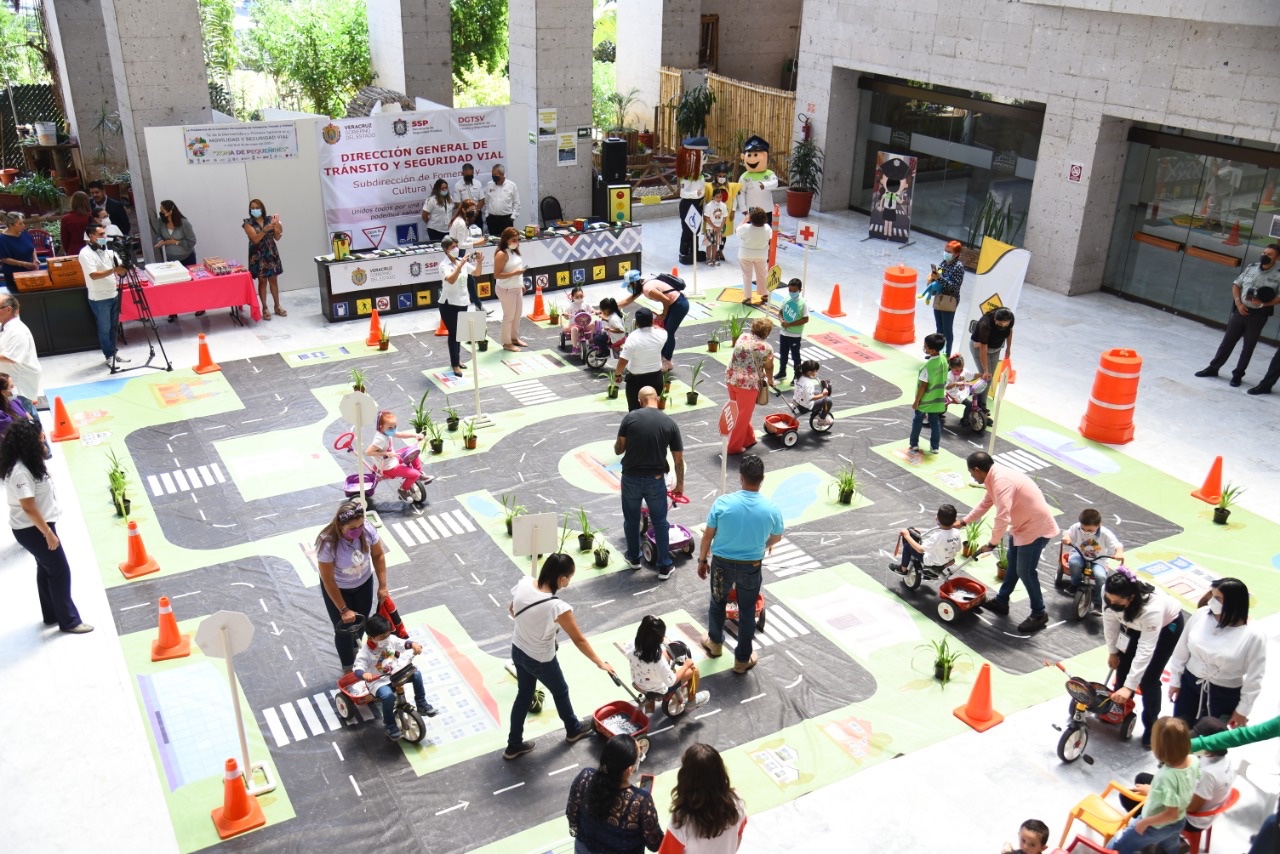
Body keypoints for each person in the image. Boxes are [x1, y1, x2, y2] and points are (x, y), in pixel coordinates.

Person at [504, 553, 615, 760]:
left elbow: (512, 609)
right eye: (569, 578)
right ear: (561, 579)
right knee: (561, 690)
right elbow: (579, 639)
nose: (569, 582)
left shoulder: (525, 583)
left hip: (518, 650)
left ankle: (513, 745)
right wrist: (600, 663)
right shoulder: (557, 607)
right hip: (541, 659)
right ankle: (573, 729)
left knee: (524, 695)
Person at [1, 418, 91, 632]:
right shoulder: (21, 471)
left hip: (39, 526)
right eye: (40, 437)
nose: (44, 439)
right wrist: (48, 533)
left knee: (46, 567)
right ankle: (69, 621)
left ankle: (51, 614)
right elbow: (29, 507)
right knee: (60, 571)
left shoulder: (30, 462)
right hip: (32, 529)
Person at [698, 454, 784, 674]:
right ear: (762, 478)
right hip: (751, 566)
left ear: (740, 478)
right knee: (747, 611)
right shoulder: (771, 508)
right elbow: (776, 537)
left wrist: (702, 560)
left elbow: (708, 535)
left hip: (721, 565)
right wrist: (761, 546)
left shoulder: (723, 502)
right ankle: (741, 660)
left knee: (718, 603)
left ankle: (715, 644)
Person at [960, 451, 1060, 634]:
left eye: (971, 473)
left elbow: (1003, 515)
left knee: (1025, 571)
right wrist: (964, 521)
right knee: (1013, 562)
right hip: (1021, 527)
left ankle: (1039, 613)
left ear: (977, 469)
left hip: (1035, 529)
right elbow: (985, 504)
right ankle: (1001, 601)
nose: (972, 476)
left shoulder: (1001, 481)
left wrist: (992, 543)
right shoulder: (993, 478)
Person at [1103, 568, 1186, 748]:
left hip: (1166, 628)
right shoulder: (1110, 593)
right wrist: (1112, 651)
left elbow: (1145, 649)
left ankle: (1152, 727)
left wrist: (1129, 687)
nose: (1111, 603)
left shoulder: (1151, 609)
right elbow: (1110, 622)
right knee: (1123, 667)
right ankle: (1118, 710)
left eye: (1117, 601)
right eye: (1109, 600)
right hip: (1134, 623)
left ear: (1131, 597)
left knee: (1149, 679)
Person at [1166, 578, 1266, 727]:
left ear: (1234, 602)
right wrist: (1175, 680)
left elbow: (1255, 677)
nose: (1212, 601)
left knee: (1210, 740)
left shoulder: (1254, 635)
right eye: (1212, 595)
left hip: (1224, 694)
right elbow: (1182, 650)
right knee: (1179, 729)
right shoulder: (1201, 615)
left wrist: (1242, 710)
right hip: (1189, 684)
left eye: (1218, 598)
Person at [1122, 717, 1239, 841]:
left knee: (1127, 797)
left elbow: (1191, 807)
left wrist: (1153, 793)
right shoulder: (1223, 761)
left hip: (1190, 818)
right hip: (1193, 795)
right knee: (1142, 778)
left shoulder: (1209, 774)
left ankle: (1149, 832)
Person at [615, 385, 685, 579]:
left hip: (630, 479)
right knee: (660, 522)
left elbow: (619, 449)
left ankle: (634, 558)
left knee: (631, 520)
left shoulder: (630, 418)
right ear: (657, 398)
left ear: (639, 401)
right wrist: (680, 484)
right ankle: (664, 565)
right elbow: (678, 459)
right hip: (655, 481)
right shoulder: (669, 422)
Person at [316, 500, 389, 673]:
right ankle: (348, 669)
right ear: (340, 525)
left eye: (360, 525)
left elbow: (378, 555)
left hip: (363, 583)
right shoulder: (327, 542)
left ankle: (356, 654)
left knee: (361, 623)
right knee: (343, 630)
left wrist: (382, 586)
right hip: (338, 588)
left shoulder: (368, 530)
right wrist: (343, 609)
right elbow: (328, 580)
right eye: (352, 528)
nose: (358, 531)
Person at [1189, 715, 1280, 854]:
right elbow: (1249, 733)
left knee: (1272, 826)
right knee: (1271, 828)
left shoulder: (1209, 773)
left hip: (1193, 818)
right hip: (1206, 809)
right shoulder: (1221, 763)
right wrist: (1196, 744)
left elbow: (1191, 807)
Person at [1108, 717, 1200, 854]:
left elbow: (1171, 813)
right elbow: (1178, 793)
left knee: (1116, 846)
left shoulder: (1165, 776)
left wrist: (1145, 823)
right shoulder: (1194, 760)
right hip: (1179, 821)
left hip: (1154, 825)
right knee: (1170, 846)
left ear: (1159, 747)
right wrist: (1153, 791)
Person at [1194, 244, 1280, 388]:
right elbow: (1236, 284)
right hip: (1240, 311)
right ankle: (1213, 368)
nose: (1265, 255)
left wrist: (1263, 304)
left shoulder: (1278, 274)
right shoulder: (1252, 267)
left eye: (1270, 254)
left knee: (1248, 347)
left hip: (1258, 315)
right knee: (1227, 342)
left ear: (1277, 258)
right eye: (1264, 252)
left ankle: (1238, 375)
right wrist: (1238, 303)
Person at [565, 734, 663, 853]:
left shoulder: (585, 777)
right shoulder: (641, 801)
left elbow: (572, 814)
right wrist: (648, 812)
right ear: (629, 769)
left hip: (585, 848)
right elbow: (655, 844)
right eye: (639, 755)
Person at [353, 614, 437, 740]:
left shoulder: (391, 639)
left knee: (416, 674)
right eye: (382, 637)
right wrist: (364, 674)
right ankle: (390, 725)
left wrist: (414, 645)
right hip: (378, 682)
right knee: (388, 696)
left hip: (395, 674)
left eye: (387, 635)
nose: (386, 639)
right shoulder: (365, 652)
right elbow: (357, 668)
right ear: (371, 637)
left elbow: (403, 643)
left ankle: (421, 703)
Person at [661, 743, 748, 854]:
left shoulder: (681, 820)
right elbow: (738, 836)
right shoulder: (737, 802)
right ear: (720, 773)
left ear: (686, 778)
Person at [627, 615, 709, 709]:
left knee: (666, 654)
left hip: (637, 682)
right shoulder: (659, 662)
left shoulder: (631, 645)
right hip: (658, 690)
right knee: (694, 671)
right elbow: (671, 681)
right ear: (661, 639)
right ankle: (692, 701)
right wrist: (686, 666)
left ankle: (670, 676)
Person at [78, 223, 130, 367]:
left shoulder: (108, 251)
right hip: (99, 297)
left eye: (104, 233)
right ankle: (109, 355)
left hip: (113, 293)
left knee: (114, 327)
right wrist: (114, 270)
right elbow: (93, 275)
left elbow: (121, 268)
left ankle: (114, 353)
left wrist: (125, 263)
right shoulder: (85, 253)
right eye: (101, 234)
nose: (104, 236)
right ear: (91, 236)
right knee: (104, 328)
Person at [724, 317, 776, 455]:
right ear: (766, 333)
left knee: (739, 411)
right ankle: (734, 446)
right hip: (748, 385)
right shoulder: (766, 348)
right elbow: (769, 367)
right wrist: (770, 380)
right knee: (743, 416)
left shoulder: (743, 336)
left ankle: (749, 438)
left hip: (731, 378)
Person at [618, 270, 690, 370]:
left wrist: (664, 314)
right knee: (664, 330)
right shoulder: (643, 286)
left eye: (628, 285)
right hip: (672, 305)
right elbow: (626, 301)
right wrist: (607, 308)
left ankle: (667, 361)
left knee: (669, 333)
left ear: (634, 283)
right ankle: (662, 357)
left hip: (679, 305)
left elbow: (666, 300)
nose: (628, 288)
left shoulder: (647, 288)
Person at [1060, 507, 1124, 614]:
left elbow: (1117, 544)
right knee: (1073, 563)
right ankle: (1074, 584)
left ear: (1098, 525)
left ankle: (1098, 602)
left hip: (1098, 559)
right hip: (1080, 554)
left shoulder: (1105, 534)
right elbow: (1068, 533)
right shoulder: (1076, 527)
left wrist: (1119, 552)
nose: (1085, 532)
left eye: (1089, 530)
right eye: (1083, 528)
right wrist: (1067, 537)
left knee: (1101, 576)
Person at [439, 236, 483, 375]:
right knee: (454, 333)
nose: (456, 249)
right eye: (453, 247)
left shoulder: (460, 261)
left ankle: (457, 360)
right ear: (446, 250)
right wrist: (460, 266)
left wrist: (479, 262)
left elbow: (476, 273)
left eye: (457, 246)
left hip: (462, 301)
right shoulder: (444, 265)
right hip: (449, 303)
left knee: (459, 334)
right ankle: (455, 364)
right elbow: (451, 280)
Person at [614, 307, 666, 412]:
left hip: (636, 382)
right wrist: (655, 325)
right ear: (652, 320)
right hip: (656, 378)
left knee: (635, 412)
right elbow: (661, 329)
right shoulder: (662, 335)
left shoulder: (633, 338)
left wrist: (618, 374)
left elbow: (623, 360)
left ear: (636, 323)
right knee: (654, 410)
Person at [367, 410, 427, 500]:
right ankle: (403, 489)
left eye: (395, 426)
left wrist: (416, 435)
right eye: (390, 427)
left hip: (392, 458)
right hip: (388, 467)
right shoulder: (380, 439)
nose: (393, 429)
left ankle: (419, 474)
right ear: (381, 427)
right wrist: (385, 453)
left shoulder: (387, 431)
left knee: (412, 451)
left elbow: (401, 434)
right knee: (414, 474)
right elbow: (368, 452)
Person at [153, 200, 198, 322]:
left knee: (191, 285)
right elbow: (158, 235)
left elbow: (192, 241)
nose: (161, 212)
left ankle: (199, 306)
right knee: (172, 287)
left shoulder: (184, 223)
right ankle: (172, 311)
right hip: (171, 259)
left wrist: (176, 242)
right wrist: (162, 241)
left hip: (187, 257)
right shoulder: (161, 221)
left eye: (163, 210)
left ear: (170, 211)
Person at [890, 503, 961, 576]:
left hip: (932, 561)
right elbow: (958, 548)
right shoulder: (957, 532)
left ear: (937, 518)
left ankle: (903, 569)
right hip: (948, 559)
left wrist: (907, 536)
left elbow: (920, 549)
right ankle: (943, 566)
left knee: (908, 546)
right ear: (955, 520)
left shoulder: (937, 536)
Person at [243, 198, 285, 320]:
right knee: (262, 282)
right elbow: (255, 239)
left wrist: (278, 227)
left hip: (271, 253)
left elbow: (277, 237)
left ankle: (277, 306)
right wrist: (265, 230)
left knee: (273, 280)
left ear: (262, 208)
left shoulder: (269, 220)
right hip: (258, 255)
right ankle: (265, 308)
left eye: (257, 207)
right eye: (252, 208)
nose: (255, 210)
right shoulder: (248, 223)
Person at [909, 332, 947, 456]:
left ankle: (914, 443)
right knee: (935, 422)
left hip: (925, 400)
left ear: (931, 350)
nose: (924, 348)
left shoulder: (927, 366)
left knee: (918, 420)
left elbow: (923, 386)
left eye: (925, 346)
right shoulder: (943, 360)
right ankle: (935, 446)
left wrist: (916, 402)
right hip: (937, 399)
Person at [969, 307, 1014, 410]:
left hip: (996, 349)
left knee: (989, 378)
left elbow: (1009, 331)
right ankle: (980, 406)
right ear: (995, 319)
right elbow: (983, 349)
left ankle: (980, 404)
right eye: (1000, 323)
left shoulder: (1010, 319)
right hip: (979, 348)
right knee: (986, 377)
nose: (1003, 326)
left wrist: (1008, 348)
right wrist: (985, 370)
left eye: (1005, 324)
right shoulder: (985, 324)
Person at [0, 295, 42, 402]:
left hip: (20, 384)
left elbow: (11, 357)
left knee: (23, 413)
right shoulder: (5, 326)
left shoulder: (18, 331)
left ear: (8, 309)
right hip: (9, 380)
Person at [491, 227, 528, 351]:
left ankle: (514, 338)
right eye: (513, 240)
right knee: (509, 316)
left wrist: (521, 283)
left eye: (517, 240)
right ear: (506, 240)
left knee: (517, 315)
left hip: (516, 287)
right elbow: (497, 275)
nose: (516, 242)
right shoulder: (501, 254)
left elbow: (518, 269)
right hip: (506, 289)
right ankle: (506, 343)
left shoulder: (514, 251)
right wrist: (514, 273)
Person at [447, 199, 484, 311]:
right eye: (471, 209)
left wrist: (477, 239)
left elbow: (464, 238)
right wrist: (477, 243)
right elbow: (461, 243)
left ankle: (479, 306)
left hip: (457, 253)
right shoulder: (461, 223)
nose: (473, 211)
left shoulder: (461, 220)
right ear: (463, 209)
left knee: (469, 280)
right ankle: (478, 306)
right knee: (466, 280)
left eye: (474, 209)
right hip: (458, 254)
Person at [930, 240, 965, 356]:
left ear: (956, 254)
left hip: (949, 301)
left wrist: (939, 278)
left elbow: (954, 287)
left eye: (949, 252)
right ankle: (936, 352)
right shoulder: (944, 263)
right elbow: (939, 279)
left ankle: (947, 356)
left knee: (947, 330)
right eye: (945, 251)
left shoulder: (958, 267)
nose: (946, 253)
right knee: (939, 328)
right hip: (939, 298)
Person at [677, 138, 708, 265]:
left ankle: (694, 250)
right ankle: (684, 252)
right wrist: (697, 193)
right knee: (687, 228)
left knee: (696, 228)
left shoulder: (700, 176)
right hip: (688, 204)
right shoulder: (687, 179)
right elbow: (683, 193)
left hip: (698, 203)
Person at [736, 135, 778, 225]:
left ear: (765, 156)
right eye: (749, 155)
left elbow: (775, 183)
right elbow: (741, 193)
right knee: (751, 230)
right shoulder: (744, 176)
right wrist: (743, 208)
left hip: (767, 208)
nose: (752, 159)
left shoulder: (769, 174)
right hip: (752, 209)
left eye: (756, 155)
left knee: (767, 231)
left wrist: (765, 185)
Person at [774, 278, 807, 384]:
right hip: (784, 332)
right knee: (783, 354)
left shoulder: (803, 303)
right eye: (790, 290)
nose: (792, 292)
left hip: (795, 335)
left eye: (794, 290)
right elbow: (780, 312)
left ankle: (798, 376)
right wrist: (781, 320)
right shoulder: (786, 299)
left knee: (795, 356)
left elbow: (805, 319)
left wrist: (790, 324)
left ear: (799, 290)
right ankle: (782, 372)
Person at [736, 208, 771, 306]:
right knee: (763, 274)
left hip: (745, 254)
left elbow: (737, 230)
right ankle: (765, 294)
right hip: (761, 254)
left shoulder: (746, 228)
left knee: (747, 275)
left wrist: (745, 220)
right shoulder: (767, 228)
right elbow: (770, 238)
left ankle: (748, 297)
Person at [0, 212, 39, 290]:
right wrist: (23, 264)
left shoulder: (24, 232)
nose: (24, 225)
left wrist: (35, 259)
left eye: (23, 223)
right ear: (11, 225)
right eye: (20, 224)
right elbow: (4, 258)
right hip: (13, 274)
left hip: (30, 270)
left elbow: (31, 247)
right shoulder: (2, 239)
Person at [484, 164, 520, 237]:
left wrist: (512, 217)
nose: (493, 177)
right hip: (492, 220)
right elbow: (487, 201)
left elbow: (517, 203)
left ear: (502, 175)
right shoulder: (490, 185)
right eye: (492, 175)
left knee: (507, 242)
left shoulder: (511, 185)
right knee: (493, 242)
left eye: (495, 175)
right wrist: (487, 215)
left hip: (506, 220)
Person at [453, 161, 486, 235]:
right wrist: (467, 216)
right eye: (467, 175)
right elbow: (457, 204)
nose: (469, 177)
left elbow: (482, 200)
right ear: (463, 173)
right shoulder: (458, 186)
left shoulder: (478, 183)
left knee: (479, 237)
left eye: (471, 175)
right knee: (465, 237)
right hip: (464, 216)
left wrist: (475, 214)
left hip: (477, 215)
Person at [60, 190, 92, 257]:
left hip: (74, 250)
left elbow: (64, 239)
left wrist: (68, 251)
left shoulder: (66, 219)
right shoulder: (92, 216)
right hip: (92, 249)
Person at [597, 297, 626, 370]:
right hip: (614, 336)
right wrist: (605, 319)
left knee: (598, 338)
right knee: (600, 335)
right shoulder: (613, 315)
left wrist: (610, 329)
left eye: (602, 311)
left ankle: (606, 352)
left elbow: (622, 330)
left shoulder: (614, 319)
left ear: (606, 310)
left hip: (617, 339)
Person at [704, 188, 728, 266]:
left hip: (718, 228)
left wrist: (721, 226)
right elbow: (707, 218)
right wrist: (714, 226)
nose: (719, 198)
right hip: (710, 227)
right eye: (717, 197)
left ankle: (714, 259)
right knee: (709, 244)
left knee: (715, 244)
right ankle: (708, 259)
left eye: (720, 197)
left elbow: (724, 217)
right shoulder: (709, 206)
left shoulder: (723, 205)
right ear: (713, 197)